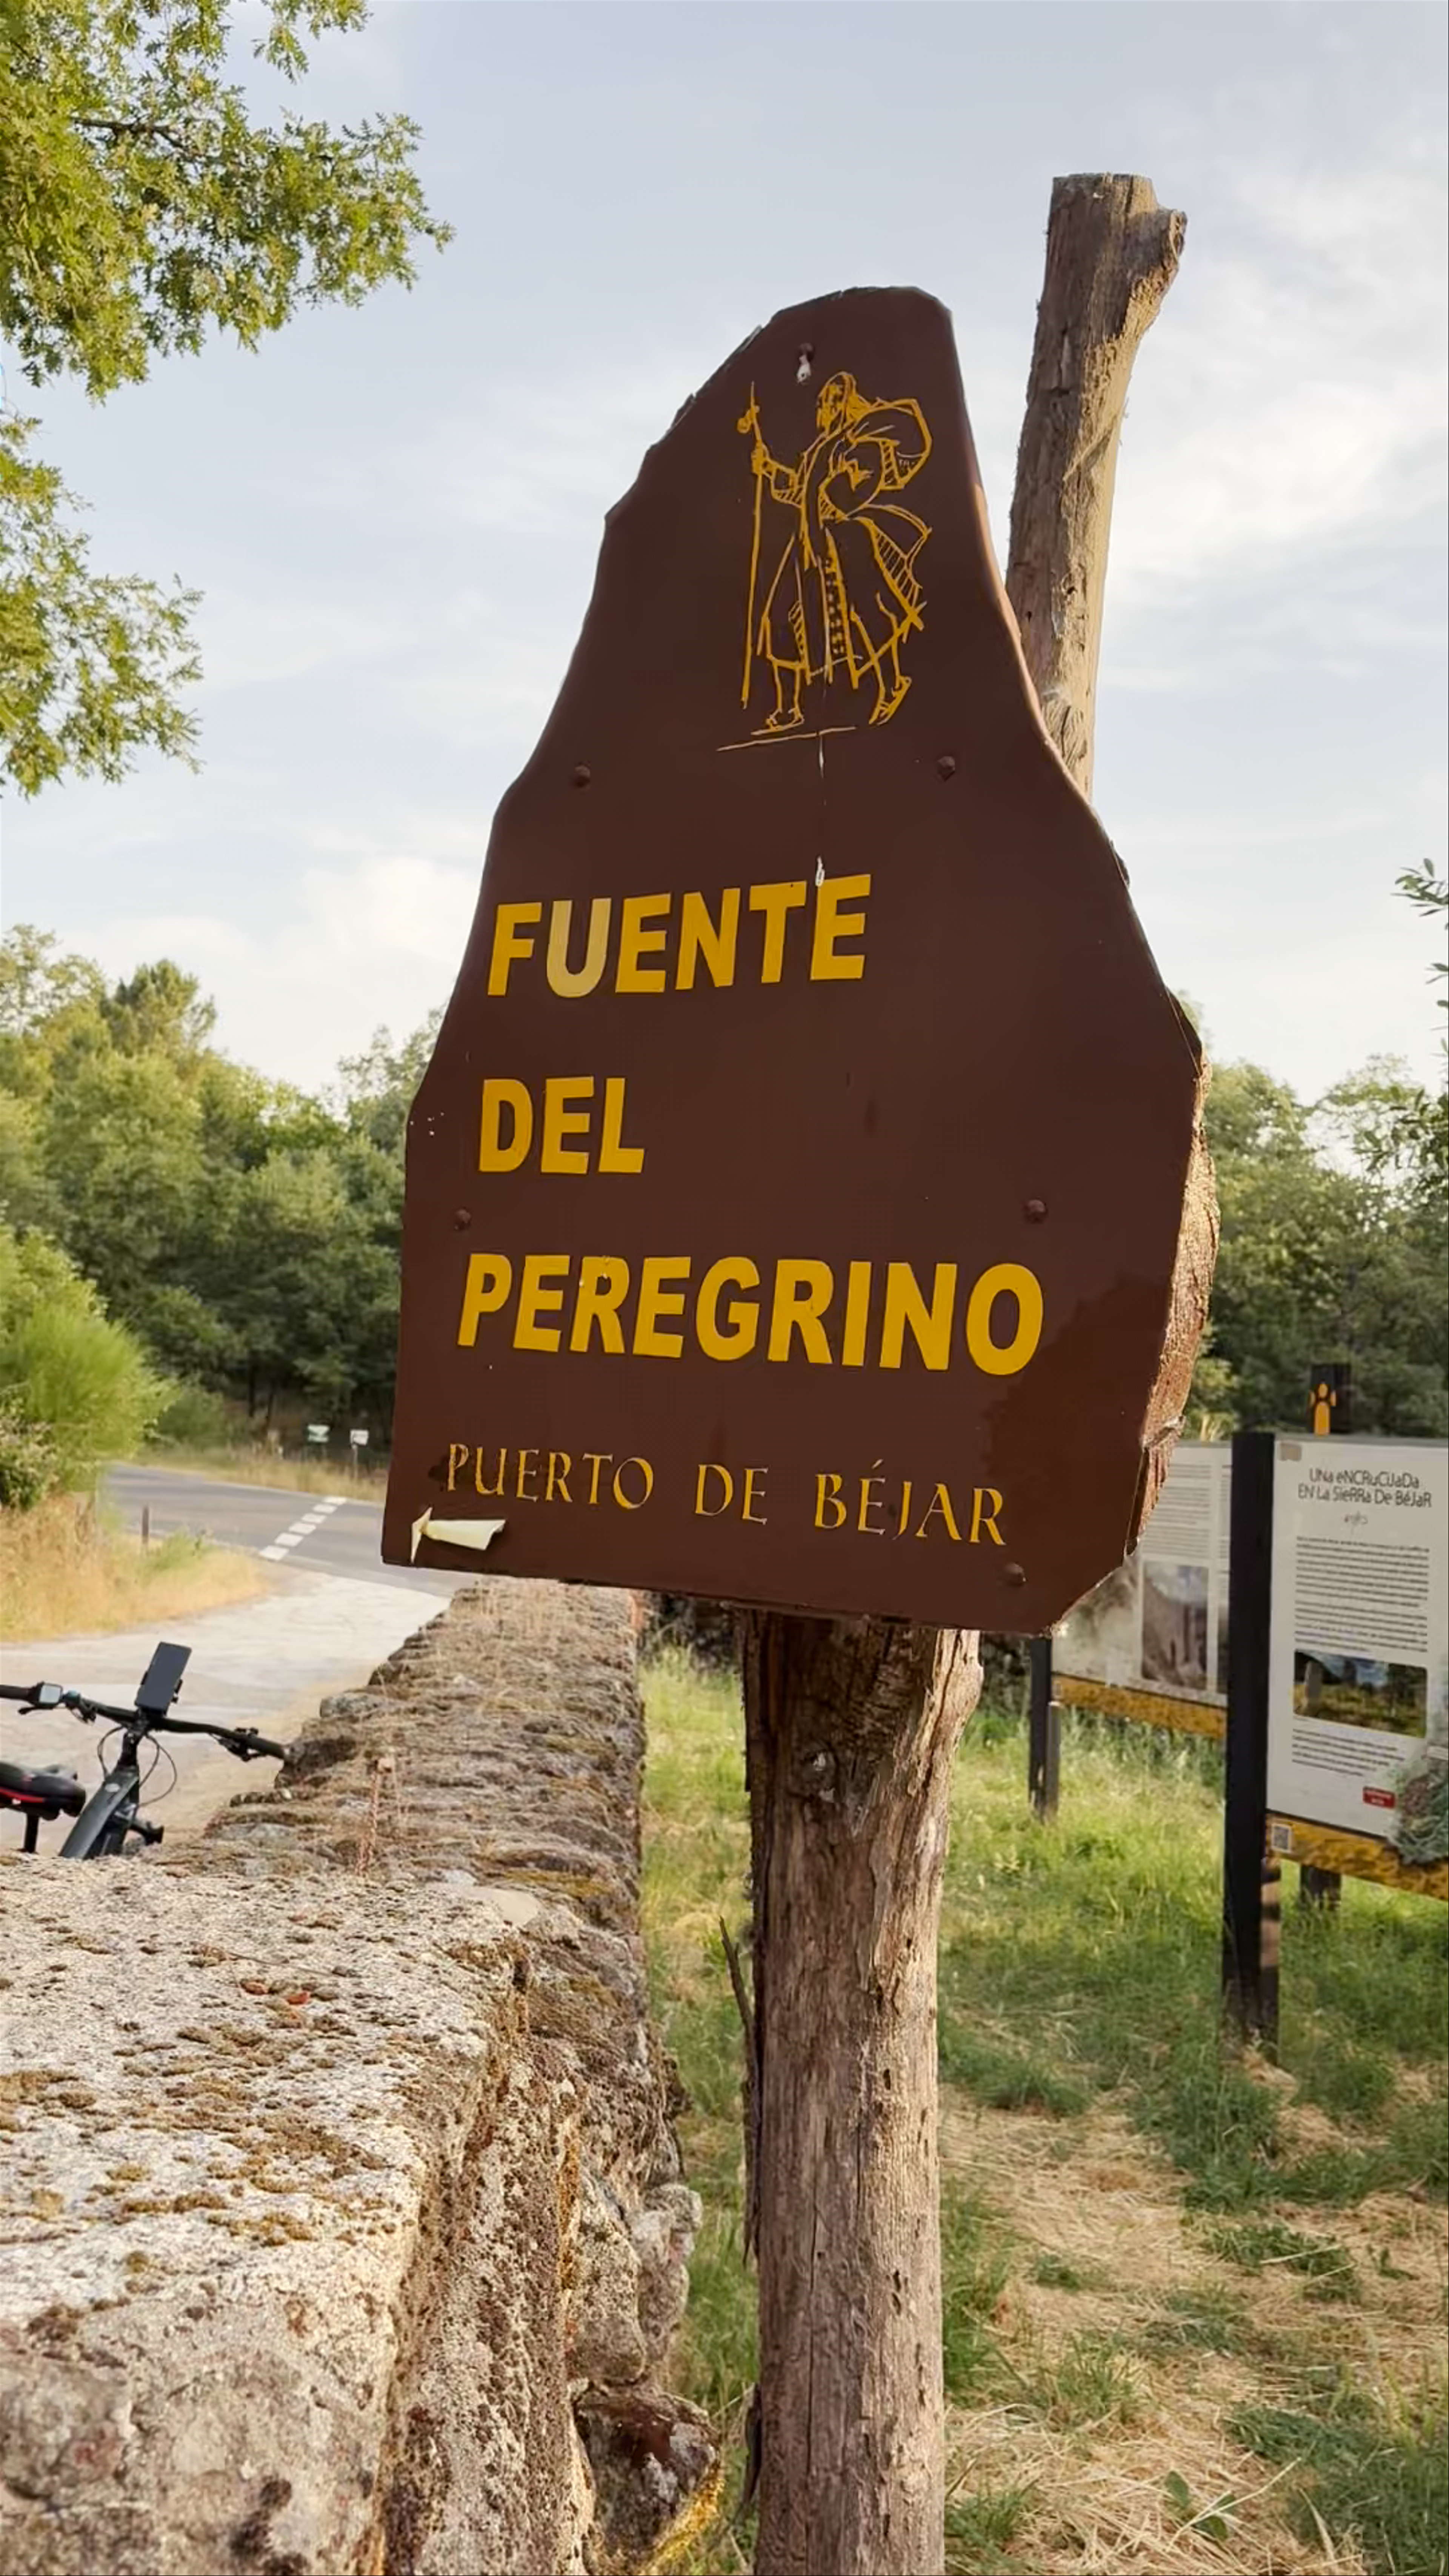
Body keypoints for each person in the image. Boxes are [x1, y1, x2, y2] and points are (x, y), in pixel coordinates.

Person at [749, 372, 932, 735]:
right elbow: (800, 492)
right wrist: (769, 468)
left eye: (832, 401)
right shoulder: (818, 450)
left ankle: (893, 684)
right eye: (822, 403)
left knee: (869, 610)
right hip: (807, 544)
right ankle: (788, 708)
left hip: (845, 539)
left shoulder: (860, 443)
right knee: (779, 617)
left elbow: (907, 436)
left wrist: (856, 433)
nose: (824, 408)